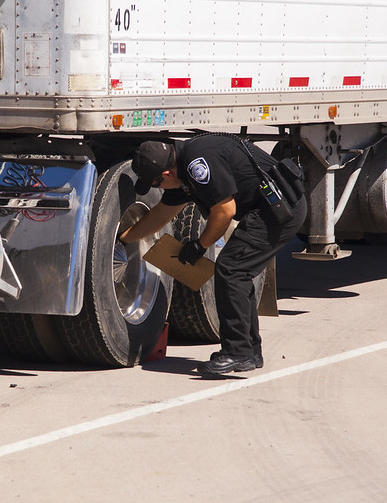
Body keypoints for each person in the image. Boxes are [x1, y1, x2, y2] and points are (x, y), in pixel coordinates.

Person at [119, 135, 306, 376]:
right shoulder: (181, 170)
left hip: (280, 208)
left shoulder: (197, 162)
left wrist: (199, 245)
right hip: (272, 207)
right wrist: (125, 238)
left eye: (156, 185)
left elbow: (226, 210)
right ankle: (249, 351)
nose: (158, 190)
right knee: (237, 271)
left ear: (167, 175)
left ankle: (237, 352)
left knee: (231, 269)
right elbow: (160, 215)